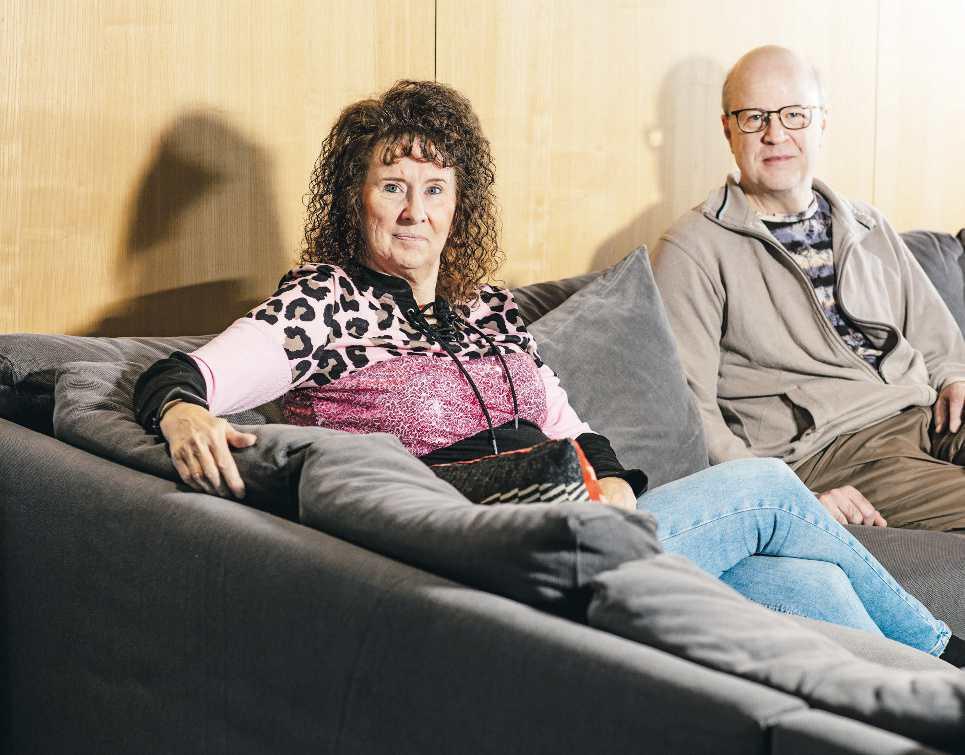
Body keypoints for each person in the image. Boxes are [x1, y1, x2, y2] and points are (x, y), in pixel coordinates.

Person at [134, 80, 962, 664]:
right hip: (488, 553)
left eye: (435, 189)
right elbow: (183, 374)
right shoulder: (323, 302)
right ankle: (947, 652)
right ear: (356, 199)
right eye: (392, 186)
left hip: (581, 523)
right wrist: (180, 411)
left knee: (809, 585)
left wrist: (618, 500)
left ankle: (917, 703)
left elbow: (574, 432)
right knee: (766, 488)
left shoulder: (487, 309)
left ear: (459, 205)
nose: (415, 211)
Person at [652, 45, 965, 534]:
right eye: (755, 117)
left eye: (794, 115)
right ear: (728, 130)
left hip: (926, 414)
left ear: (822, 123)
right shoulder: (692, 248)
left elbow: (935, 334)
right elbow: (690, 410)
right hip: (837, 451)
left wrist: (954, 378)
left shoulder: (866, 224)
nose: (775, 134)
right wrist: (784, 494)